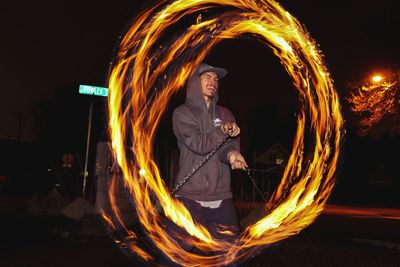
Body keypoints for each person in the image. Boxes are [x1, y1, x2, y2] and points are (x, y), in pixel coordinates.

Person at [166, 62, 247, 264]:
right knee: (173, 257)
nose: (213, 82)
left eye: (216, 79)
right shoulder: (182, 114)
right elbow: (199, 145)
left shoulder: (225, 114)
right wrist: (222, 131)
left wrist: (232, 155)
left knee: (230, 258)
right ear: (195, 82)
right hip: (188, 199)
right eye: (207, 78)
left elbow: (225, 147)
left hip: (221, 198)